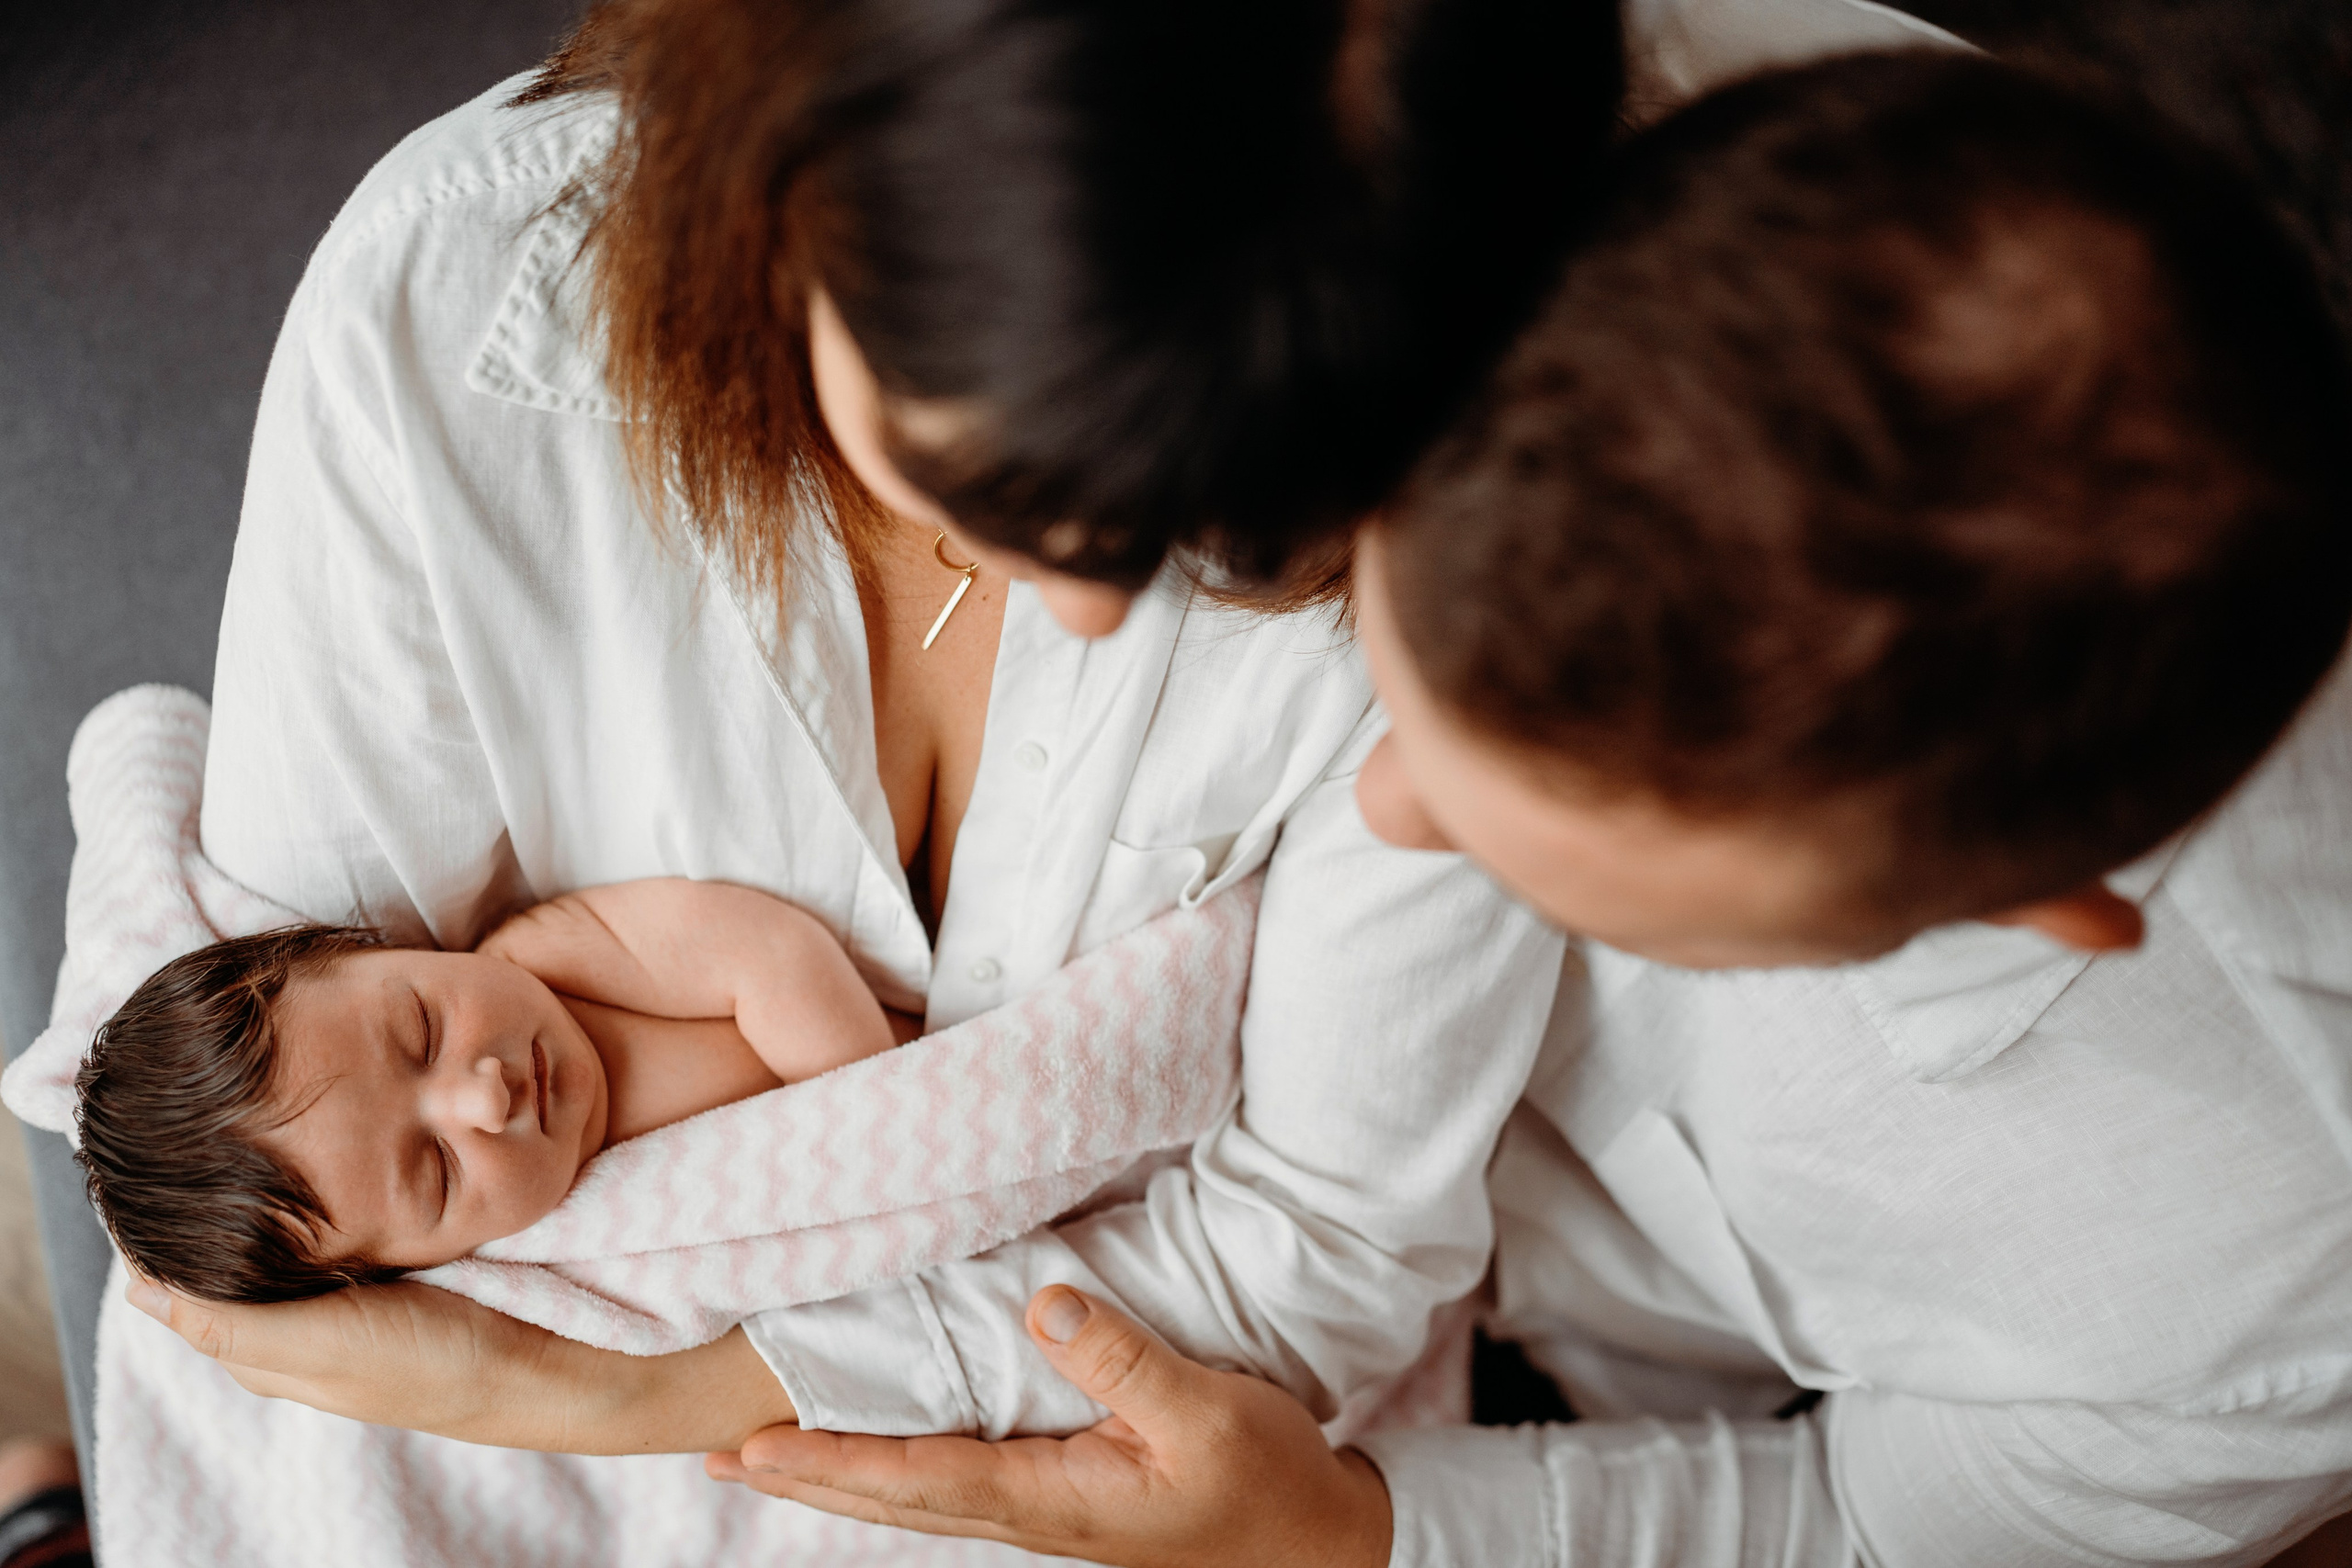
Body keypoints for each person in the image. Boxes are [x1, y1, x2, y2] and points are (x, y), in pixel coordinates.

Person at [696, 52, 2352, 1567]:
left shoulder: (2256, 1312)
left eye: (1532, 848)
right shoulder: (1548, 141)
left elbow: (1858, 1523)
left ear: (2022, 898)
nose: (1389, 816)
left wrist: (1352, 1538)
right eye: (1398, 687)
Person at [79, 880, 901, 1301]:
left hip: (906, 1065)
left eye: (423, 1030)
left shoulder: (555, 955)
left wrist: (888, 1145)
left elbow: (776, 955)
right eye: (438, 1172)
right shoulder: (564, 1257)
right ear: (417, 1269)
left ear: (376, 947)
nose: (486, 1098)